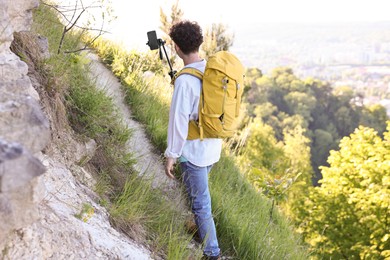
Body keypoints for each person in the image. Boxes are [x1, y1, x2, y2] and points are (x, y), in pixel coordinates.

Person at [164, 20, 222, 260]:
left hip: (193, 153)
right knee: (199, 199)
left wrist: (171, 155)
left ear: (176, 47)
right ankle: (198, 231)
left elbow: (178, 123)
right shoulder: (211, 70)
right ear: (198, 43)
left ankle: (213, 253)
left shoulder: (185, 81)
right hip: (212, 148)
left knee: (201, 205)